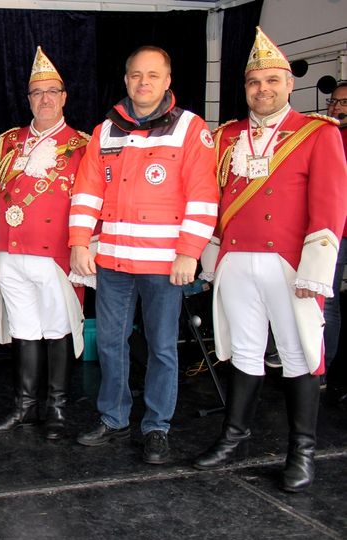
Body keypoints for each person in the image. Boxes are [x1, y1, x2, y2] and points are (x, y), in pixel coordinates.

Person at [193, 28, 347, 492]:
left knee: (299, 354)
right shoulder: (226, 137)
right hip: (237, 260)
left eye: (272, 81)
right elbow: (211, 199)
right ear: (246, 89)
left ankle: (302, 451)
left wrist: (316, 273)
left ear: (288, 84)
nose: (263, 90)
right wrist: (210, 259)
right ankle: (234, 436)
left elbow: (330, 206)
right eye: (254, 82)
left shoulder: (316, 134)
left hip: (289, 264)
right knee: (243, 352)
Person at [68, 46, 218, 464]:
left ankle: (156, 427)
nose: (144, 82)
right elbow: (87, 191)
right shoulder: (106, 130)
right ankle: (114, 419)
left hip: (165, 265)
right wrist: (80, 241)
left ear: (168, 80)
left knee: (162, 348)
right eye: (136, 75)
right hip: (113, 262)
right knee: (112, 345)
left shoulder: (190, 128)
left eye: (153, 75)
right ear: (126, 80)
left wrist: (190, 253)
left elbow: (204, 197)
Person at [0, 47, 87, 439]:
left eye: (52, 91)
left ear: (64, 97)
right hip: (11, 256)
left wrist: (84, 256)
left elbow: (92, 206)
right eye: (38, 93)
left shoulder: (82, 146)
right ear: (29, 99)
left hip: (55, 258)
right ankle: (24, 405)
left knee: (56, 330)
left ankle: (55, 408)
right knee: (23, 330)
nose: (46, 99)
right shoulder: (8, 142)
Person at [322, 81, 347, 403]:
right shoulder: (325, 135)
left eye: (343, 102)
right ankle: (322, 370)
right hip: (334, 233)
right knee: (327, 300)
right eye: (333, 101)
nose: (336, 107)